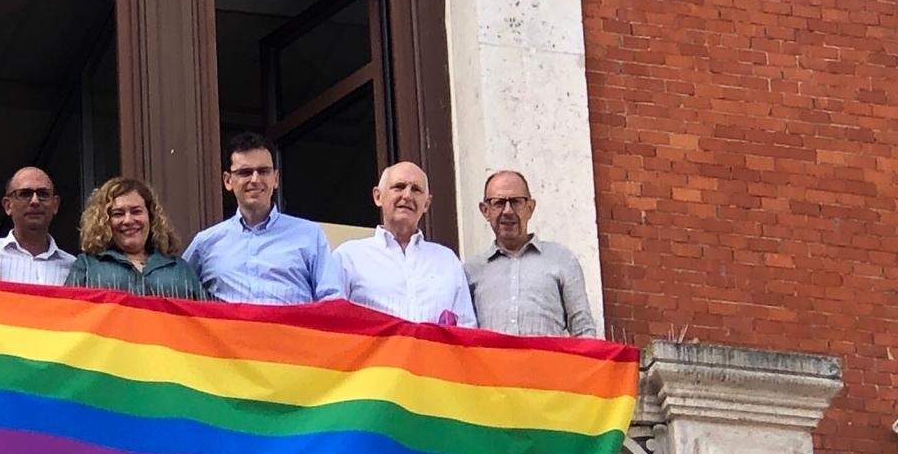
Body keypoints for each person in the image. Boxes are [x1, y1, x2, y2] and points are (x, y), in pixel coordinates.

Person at [183, 132, 343, 305]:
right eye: (245, 172)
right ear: (228, 181)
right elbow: (174, 292)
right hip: (230, 332)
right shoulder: (205, 243)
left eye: (263, 171)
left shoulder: (309, 235)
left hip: (290, 332)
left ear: (275, 178)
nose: (255, 179)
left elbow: (333, 302)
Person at [333, 161, 476, 326]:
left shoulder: (447, 261)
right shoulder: (348, 257)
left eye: (416, 189)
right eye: (399, 187)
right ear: (378, 196)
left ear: (427, 204)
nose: (407, 195)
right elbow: (333, 325)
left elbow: (467, 330)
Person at [465, 170, 597, 337]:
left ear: (530, 207)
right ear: (485, 210)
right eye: (498, 203)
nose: (507, 211)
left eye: (516, 202)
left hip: (548, 363)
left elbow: (583, 329)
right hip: (492, 363)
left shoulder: (561, 259)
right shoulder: (471, 271)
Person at [65, 177, 210, 300]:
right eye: (118, 214)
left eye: (136, 211)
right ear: (105, 221)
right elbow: (68, 317)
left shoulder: (179, 269)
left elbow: (208, 319)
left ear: (151, 217)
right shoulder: (87, 267)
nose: (128, 220)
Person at [0, 167, 75, 285]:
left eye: (43, 194)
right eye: (25, 194)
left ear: (55, 205)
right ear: (8, 205)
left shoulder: (73, 268)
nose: (35, 201)